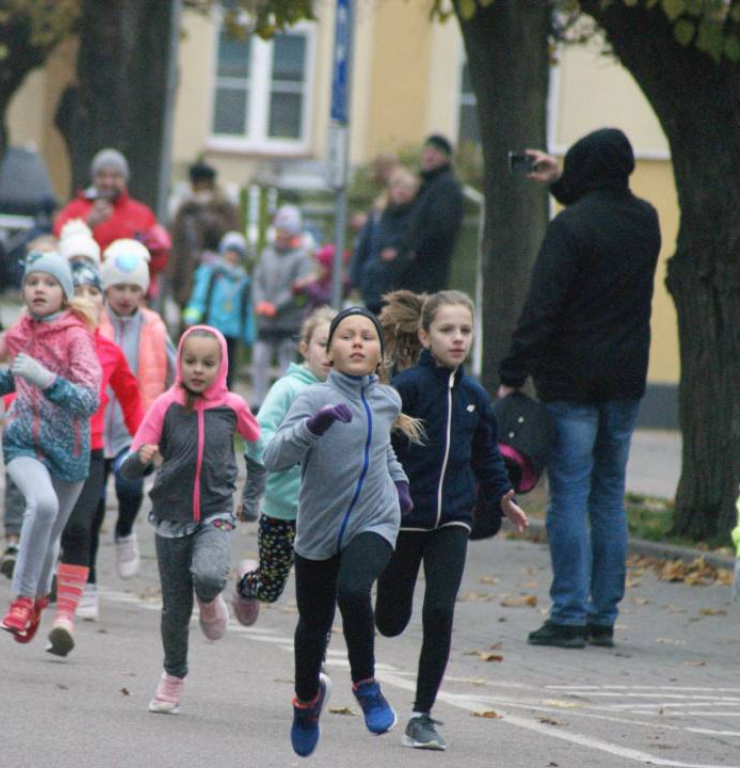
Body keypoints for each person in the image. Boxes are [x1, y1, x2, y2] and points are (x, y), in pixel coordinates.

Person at [497, 128, 661, 649]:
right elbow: (603, 218)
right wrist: (561, 184)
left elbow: (543, 305)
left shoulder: (570, 228)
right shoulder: (646, 219)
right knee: (609, 494)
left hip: (571, 380)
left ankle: (567, 614)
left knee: (569, 492)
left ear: (584, 169)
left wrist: (511, 373)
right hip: (626, 379)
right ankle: (601, 614)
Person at [375, 289, 529, 751]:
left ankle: (422, 715)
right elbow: (379, 447)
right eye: (447, 330)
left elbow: (486, 452)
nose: (458, 339)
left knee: (440, 611)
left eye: (465, 330)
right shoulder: (406, 389)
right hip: (405, 519)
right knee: (390, 620)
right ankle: (386, 607)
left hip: (454, 519)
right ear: (424, 335)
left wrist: (504, 496)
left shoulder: (474, 395)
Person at [263, 307, 415, 757]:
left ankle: (366, 683)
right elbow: (273, 457)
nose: (356, 342)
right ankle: (306, 701)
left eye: (367, 337)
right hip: (317, 530)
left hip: (376, 518)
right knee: (313, 626)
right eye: (346, 336)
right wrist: (314, 427)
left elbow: (381, 449)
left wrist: (401, 484)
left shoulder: (388, 399)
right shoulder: (311, 399)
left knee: (353, 591)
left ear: (378, 354)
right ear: (329, 352)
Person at [0, 250, 101, 653]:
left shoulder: (76, 337)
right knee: (43, 505)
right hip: (22, 439)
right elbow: (9, 374)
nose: (39, 289)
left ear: (64, 294)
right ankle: (21, 600)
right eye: (33, 282)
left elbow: (89, 399)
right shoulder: (21, 330)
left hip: (68, 450)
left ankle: (36, 602)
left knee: (50, 535)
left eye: (50, 283)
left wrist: (48, 379)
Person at [119, 325, 264, 715]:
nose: (198, 369)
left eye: (208, 363)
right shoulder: (165, 405)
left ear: (222, 365)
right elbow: (127, 468)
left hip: (216, 512)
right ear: (179, 361)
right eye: (190, 361)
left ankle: (211, 597)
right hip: (170, 518)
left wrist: (250, 499)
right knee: (174, 610)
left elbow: (258, 450)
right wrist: (140, 459)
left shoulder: (232, 407)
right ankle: (173, 677)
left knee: (210, 575)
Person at [232, 307, 335, 628]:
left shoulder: (346, 393)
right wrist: (287, 451)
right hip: (282, 509)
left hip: (324, 513)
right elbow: (258, 433)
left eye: (337, 345)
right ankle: (248, 583)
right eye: (322, 344)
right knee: (271, 587)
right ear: (305, 348)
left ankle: (315, 660)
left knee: (321, 593)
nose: (330, 354)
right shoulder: (289, 388)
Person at [56, 258, 144, 626]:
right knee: (50, 522)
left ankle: (76, 599)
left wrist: (145, 440)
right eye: (78, 291)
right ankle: (36, 579)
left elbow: (130, 395)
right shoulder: (50, 342)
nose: (87, 298)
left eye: (94, 292)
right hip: (45, 446)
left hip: (90, 448)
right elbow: (17, 380)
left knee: (83, 523)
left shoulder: (108, 350)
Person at [98, 238, 176, 579]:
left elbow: (178, 371)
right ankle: (82, 576)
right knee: (92, 501)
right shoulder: (92, 321)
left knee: (129, 487)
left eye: (134, 288)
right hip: (95, 425)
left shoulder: (154, 326)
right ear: (106, 288)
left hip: (137, 428)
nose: (126, 295)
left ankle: (125, 530)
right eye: (118, 288)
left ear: (144, 291)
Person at [251, 205, 313, 407]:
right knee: (260, 358)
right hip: (265, 320)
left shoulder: (301, 257)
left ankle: (285, 403)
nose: (282, 235)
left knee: (286, 363)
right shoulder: (267, 254)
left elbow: (298, 288)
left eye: (286, 231)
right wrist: (260, 301)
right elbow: (257, 280)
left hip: (288, 321)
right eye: (279, 230)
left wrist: (276, 306)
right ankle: (259, 401)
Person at [182, 231, 254, 387]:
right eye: (230, 251)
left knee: (229, 369)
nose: (232, 256)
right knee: (210, 363)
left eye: (237, 253)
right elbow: (199, 297)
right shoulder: (212, 272)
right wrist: (191, 318)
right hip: (213, 327)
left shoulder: (243, 280)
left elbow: (247, 308)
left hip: (232, 331)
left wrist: (249, 334)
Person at [53, 148, 158, 252]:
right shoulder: (74, 209)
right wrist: (87, 224)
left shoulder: (142, 214)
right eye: (102, 176)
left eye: (115, 176)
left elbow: (156, 261)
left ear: (125, 179)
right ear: (94, 178)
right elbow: (59, 240)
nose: (108, 182)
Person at [168, 160, 239, 309]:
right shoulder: (185, 210)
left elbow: (231, 240)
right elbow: (176, 247)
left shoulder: (224, 209)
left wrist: (209, 220)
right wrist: (174, 281)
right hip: (188, 281)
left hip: (217, 282)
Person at [348, 166, 420, 313]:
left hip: (401, 285)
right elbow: (363, 247)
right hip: (373, 284)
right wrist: (355, 279)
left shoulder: (416, 218)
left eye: (408, 187)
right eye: (399, 186)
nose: (402, 191)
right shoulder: (377, 215)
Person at [401, 135, 464, 294]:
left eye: (435, 152)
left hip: (429, 272)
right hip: (417, 272)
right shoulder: (428, 186)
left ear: (446, 158)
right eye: (427, 151)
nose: (429, 156)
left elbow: (441, 226)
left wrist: (414, 251)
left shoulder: (446, 187)